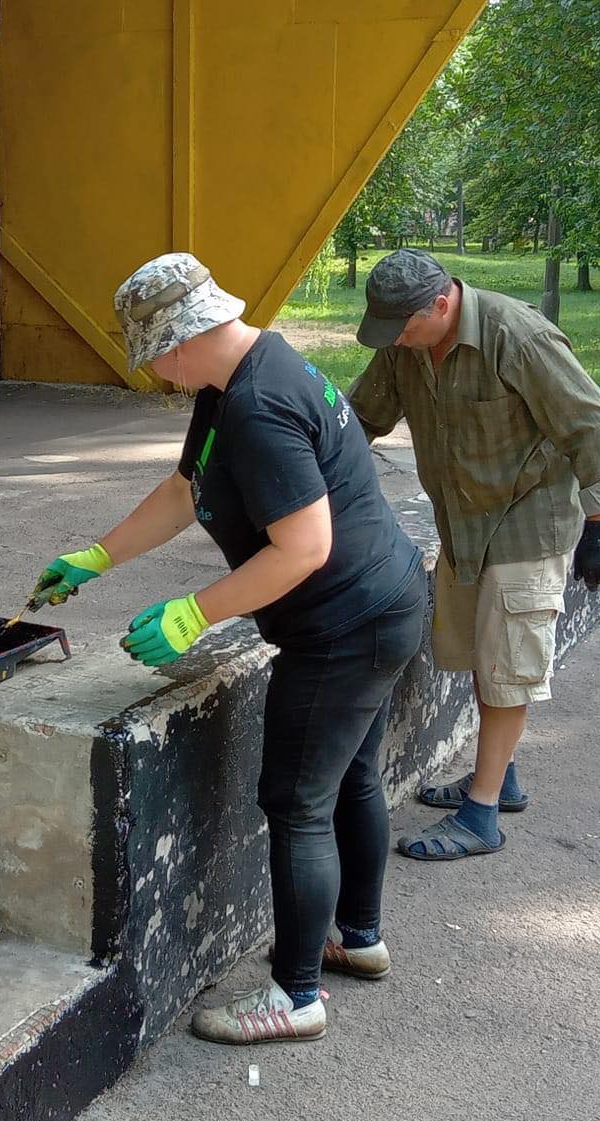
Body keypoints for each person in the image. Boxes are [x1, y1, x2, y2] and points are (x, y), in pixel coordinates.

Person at [29, 253, 429, 1046]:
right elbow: (188, 487)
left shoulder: (257, 407)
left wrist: (193, 613)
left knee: (296, 802)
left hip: (343, 626)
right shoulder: (245, 373)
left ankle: (296, 995)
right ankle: (358, 934)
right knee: (347, 774)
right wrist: (100, 555)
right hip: (384, 601)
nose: (159, 375)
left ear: (179, 343)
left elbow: (304, 547)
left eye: (155, 359)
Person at [347, 248, 600, 862]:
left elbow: (595, 425)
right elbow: (359, 417)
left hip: (529, 521)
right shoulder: (407, 344)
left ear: (441, 304)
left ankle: (480, 817)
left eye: (402, 328)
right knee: (483, 655)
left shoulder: (516, 336)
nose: (393, 341)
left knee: (507, 670)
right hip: (464, 524)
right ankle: (502, 779)